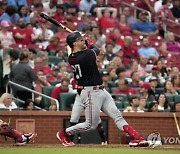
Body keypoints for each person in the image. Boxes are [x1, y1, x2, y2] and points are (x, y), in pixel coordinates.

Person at [56, 31, 149, 147]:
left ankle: (136, 138)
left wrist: (87, 43)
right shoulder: (86, 55)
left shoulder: (72, 57)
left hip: (101, 90)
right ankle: (63, 133)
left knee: (117, 115)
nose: (83, 40)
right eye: (80, 40)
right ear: (74, 43)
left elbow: (88, 50)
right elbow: (97, 50)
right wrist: (90, 44)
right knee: (91, 125)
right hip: (90, 92)